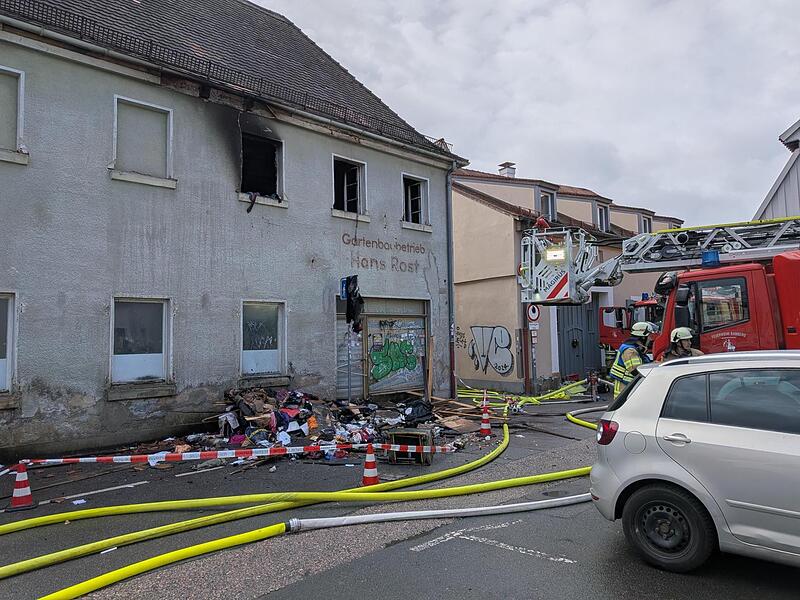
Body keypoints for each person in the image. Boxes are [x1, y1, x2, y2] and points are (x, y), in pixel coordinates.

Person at [608, 321, 658, 398]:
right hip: (625, 389)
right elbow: (637, 371)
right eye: (649, 336)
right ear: (643, 337)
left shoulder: (634, 348)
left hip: (629, 386)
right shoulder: (630, 351)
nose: (650, 339)